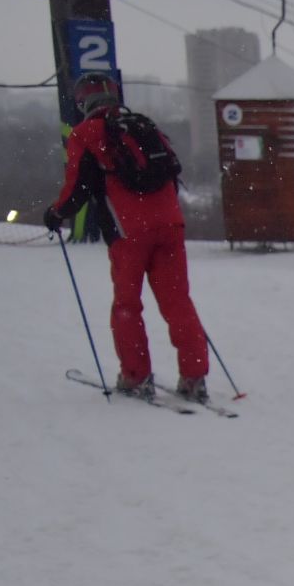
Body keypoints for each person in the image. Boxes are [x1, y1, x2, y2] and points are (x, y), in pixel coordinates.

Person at [44, 72, 210, 402]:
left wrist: (56, 214)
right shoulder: (142, 126)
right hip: (170, 225)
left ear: (83, 101)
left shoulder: (86, 133)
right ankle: (194, 377)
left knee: (127, 305)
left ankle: (136, 376)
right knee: (178, 303)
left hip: (128, 230)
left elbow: (76, 188)